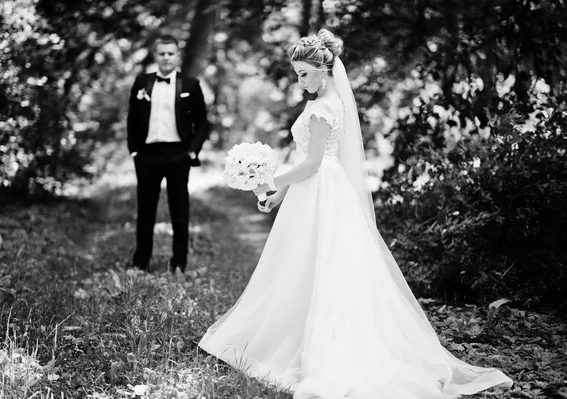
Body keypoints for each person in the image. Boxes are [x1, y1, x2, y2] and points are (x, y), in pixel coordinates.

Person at [198, 29, 513, 398]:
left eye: (303, 74)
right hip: (314, 189)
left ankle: (324, 346)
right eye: (297, 74)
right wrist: (277, 193)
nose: (300, 82)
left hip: (321, 191)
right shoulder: (324, 103)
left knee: (321, 266)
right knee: (304, 265)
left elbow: (314, 163)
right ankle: (297, 334)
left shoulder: (323, 108)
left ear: (325, 70)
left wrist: (267, 176)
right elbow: (306, 161)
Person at [127, 34, 209, 274]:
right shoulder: (142, 82)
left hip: (178, 154)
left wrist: (192, 152)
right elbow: (132, 119)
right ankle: (141, 263)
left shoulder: (190, 85)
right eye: (161, 53)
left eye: (170, 53)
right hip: (147, 155)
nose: (166, 57)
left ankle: (179, 264)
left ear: (177, 56)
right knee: (145, 210)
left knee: (179, 210)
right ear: (155, 56)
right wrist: (134, 151)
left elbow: (202, 124)